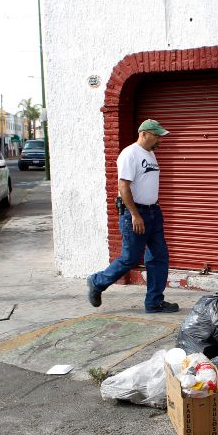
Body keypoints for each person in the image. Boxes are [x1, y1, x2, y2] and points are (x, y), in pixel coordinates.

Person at [87, 119, 179, 313]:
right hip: (136, 214)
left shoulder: (150, 154)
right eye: (157, 136)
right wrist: (135, 215)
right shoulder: (130, 154)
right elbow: (123, 186)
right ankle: (97, 281)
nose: (160, 140)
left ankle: (154, 302)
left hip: (153, 212)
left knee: (159, 257)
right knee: (131, 258)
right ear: (143, 133)